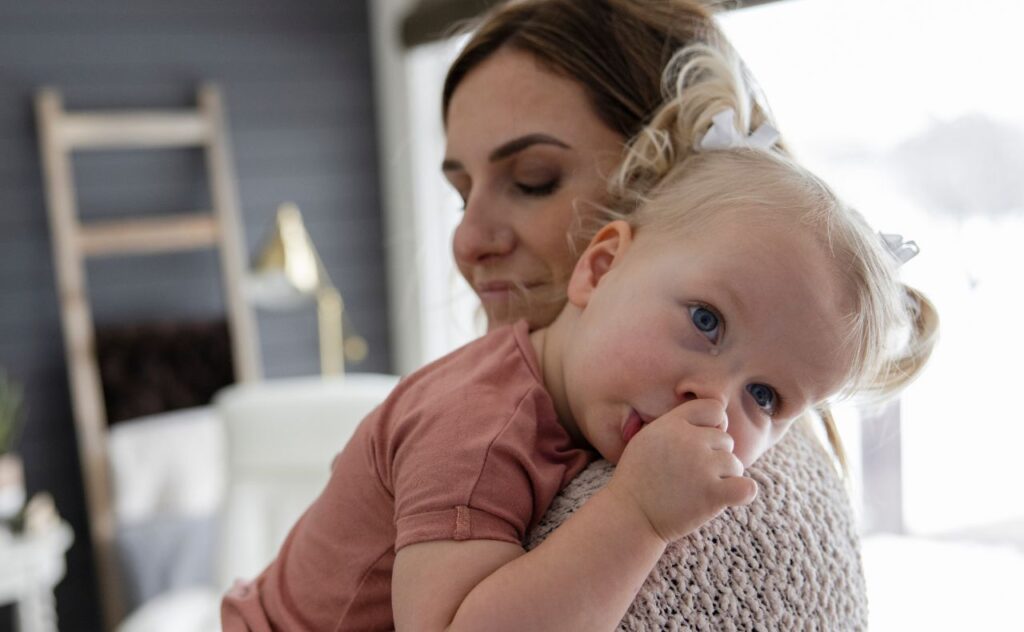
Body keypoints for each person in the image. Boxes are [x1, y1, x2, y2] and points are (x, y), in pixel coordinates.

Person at [221, 37, 935, 630]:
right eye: (706, 321)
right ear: (600, 267)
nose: (713, 400)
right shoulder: (476, 423)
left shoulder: (579, 395)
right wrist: (635, 517)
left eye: (767, 397)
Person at [444, 0, 882, 627]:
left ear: (661, 177)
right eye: (460, 193)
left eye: (534, 179)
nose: (466, 241)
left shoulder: (699, 510)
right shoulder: (483, 415)